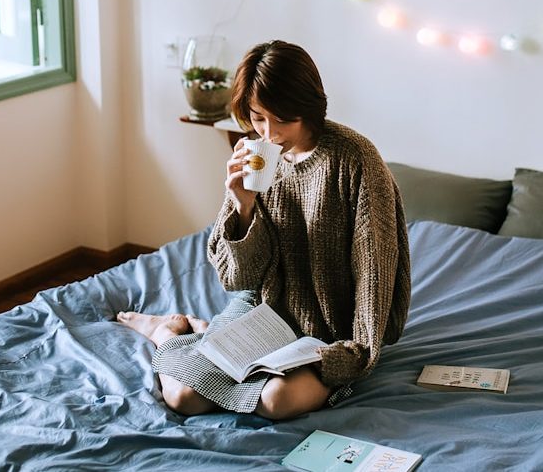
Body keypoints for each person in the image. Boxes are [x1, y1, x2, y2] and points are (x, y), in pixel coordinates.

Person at [117, 40, 410, 420]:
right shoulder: (255, 155)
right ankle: (168, 335)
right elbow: (237, 278)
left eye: (281, 119)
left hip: (329, 331)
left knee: (278, 401)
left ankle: (202, 336)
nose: (268, 133)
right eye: (257, 118)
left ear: (308, 106)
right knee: (184, 396)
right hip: (263, 311)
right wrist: (242, 203)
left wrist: (358, 352)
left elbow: (375, 269)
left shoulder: (354, 159)